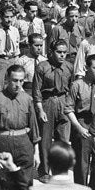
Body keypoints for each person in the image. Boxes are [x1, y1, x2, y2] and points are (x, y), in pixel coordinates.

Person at [0, 63, 41, 190]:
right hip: (2, 144)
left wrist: (36, 153)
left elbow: (34, 128)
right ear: (7, 79)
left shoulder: (27, 99)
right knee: (4, 187)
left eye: (21, 81)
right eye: (14, 80)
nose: (18, 84)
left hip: (24, 144)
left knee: (25, 185)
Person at [64, 54, 95, 187]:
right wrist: (79, 127)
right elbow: (68, 109)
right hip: (82, 125)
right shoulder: (77, 85)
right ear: (86, 68)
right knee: (81, 165)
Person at [33, 40, 73, 182]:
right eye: (59, 52)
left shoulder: (69, 67)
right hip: (47, 102)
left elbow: (71, 88)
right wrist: (40, 110)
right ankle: (44, 171)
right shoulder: (42, 67)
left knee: (63, 139)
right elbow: (37, 90)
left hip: (63, 101)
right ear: (51, 52)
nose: (62, 55)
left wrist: (69, 107)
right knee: (45, 139)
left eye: (64, 52)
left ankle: (60, 171)